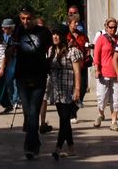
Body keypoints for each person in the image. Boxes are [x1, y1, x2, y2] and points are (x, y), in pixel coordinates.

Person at [5, 5, 54, 160]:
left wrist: (49, 61)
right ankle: (36, 142)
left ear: (33, 17)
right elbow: (8, 52)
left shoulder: (44, 32)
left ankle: (29, 147)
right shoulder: (18, 32)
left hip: (39, 76)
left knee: (33, 112)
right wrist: (12, 48)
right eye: (22, 18)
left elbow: (53, 48)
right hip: (22, 76)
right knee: (28, 112)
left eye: (28, 18)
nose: (25, 21)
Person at [47, 24, 83, 160]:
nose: (55, 36)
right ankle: (71, 148)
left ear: (63, 36)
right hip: (57, 90)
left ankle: (58, 147)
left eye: (57, 34)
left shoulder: (71, 51)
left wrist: (77, 89)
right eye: (53, 34)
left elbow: (77, 71)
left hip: (69, 88)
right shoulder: (51, 50)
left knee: (64, 119)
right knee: (64, 120)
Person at [93, 17, 118, 130]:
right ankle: (101, 114)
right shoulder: (101, 39)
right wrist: (97, 69)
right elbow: (96, 54)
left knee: (116, 98)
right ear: (106, 27)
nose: (113, 30)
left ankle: (114, 121)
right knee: (102, 97)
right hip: (103, 73)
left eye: (115, 27)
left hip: (116, 73)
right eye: (111, 27)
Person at [66, 13, 91, 119]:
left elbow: (87, 46)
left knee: (83, 89)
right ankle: (71, 113)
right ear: (69, 23)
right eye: (74, 22)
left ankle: (73, 109)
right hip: (70, 66)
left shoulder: (82, 35)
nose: (76, 24)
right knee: (72, 89)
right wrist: (68, 45)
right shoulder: (65, 35)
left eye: (77, 22)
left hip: (82, 65)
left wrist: (89, 50)